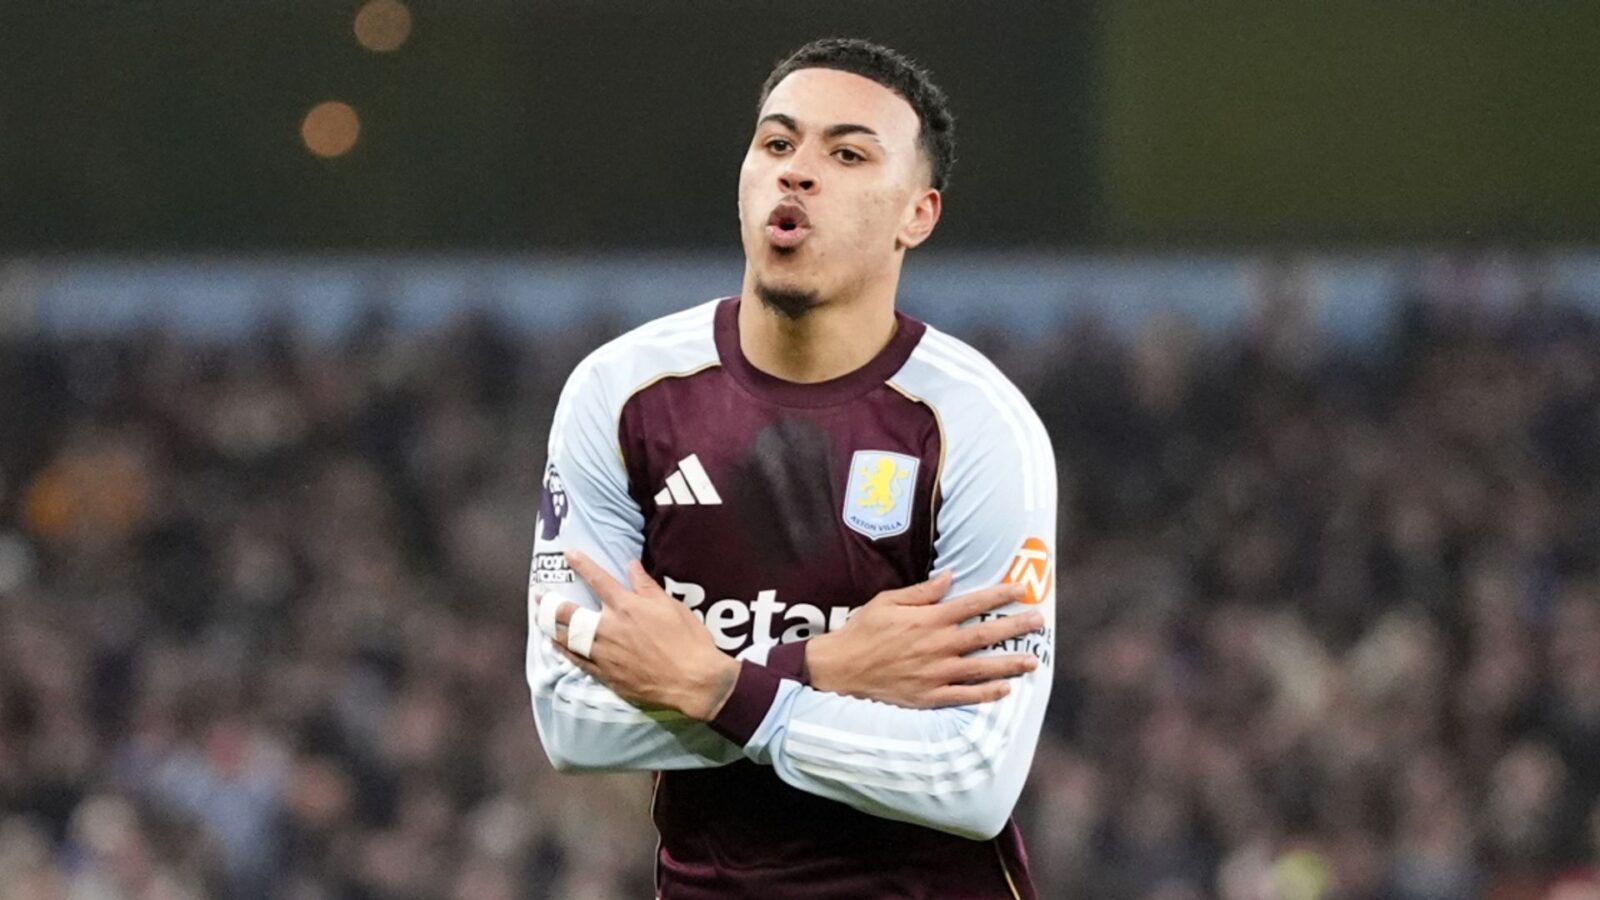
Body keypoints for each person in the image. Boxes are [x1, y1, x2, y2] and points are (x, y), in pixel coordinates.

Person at [526, 37, 1057, 899]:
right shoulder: (621, 395)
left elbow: (972, 775)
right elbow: (570, 718)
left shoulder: (978, 425)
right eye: (778, 144)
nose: (798, 172)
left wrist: (714, 683)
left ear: (916, 215)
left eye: (846, 154)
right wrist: (824, 667)